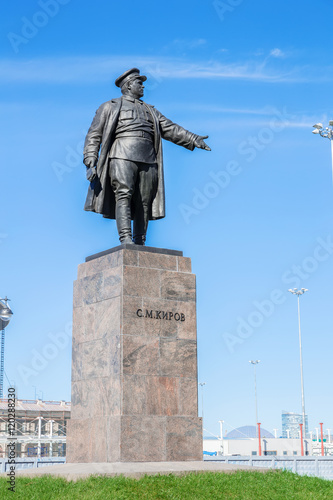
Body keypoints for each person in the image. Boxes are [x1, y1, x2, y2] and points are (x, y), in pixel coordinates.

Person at [83, 68, 211, 245]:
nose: (143, 86)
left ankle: (139, 241)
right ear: (128, 86)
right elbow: (94, 135)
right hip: (121, 154)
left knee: (144, 200)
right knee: (123, 194)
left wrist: (193, 138)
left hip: (148, 157)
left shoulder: (151, 111)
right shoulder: (109, 106)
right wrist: (91, 161)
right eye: (139, 82)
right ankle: (125, 238)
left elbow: (170, 128)